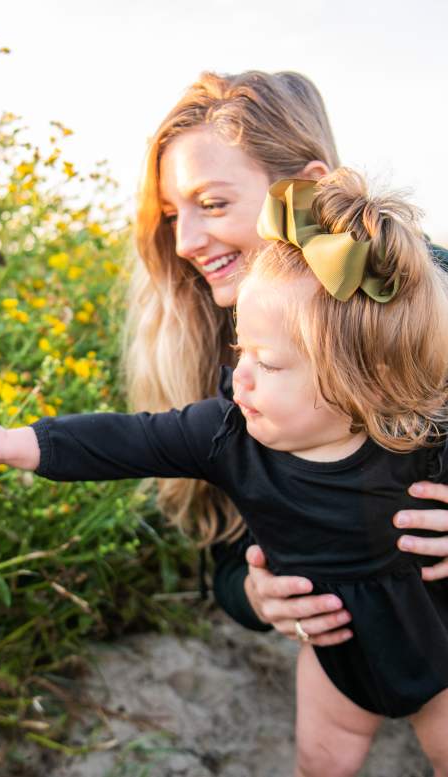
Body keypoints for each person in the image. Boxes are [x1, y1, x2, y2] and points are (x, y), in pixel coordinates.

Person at [0, 169, 448, 775]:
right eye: (241, 350)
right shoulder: (226, 432)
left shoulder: (422, 436)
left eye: (269, 361)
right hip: (333, 648)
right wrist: (17, 442)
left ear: (361, 380)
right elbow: (129, 440)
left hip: (438, 637)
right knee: (321, 760)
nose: (243, 376)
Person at [125, 70, 448, 645]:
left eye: (213, 203)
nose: (184, 242)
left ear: (305, 192)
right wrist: (253, 596)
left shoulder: (425, 290)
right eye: (174, 215)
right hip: (351, 657)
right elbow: (226, 547)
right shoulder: (207, 336)